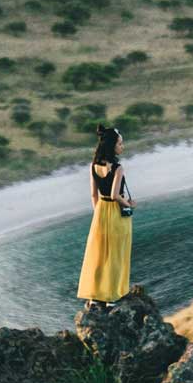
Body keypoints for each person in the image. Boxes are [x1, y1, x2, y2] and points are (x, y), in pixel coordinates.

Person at [76, 124, 134, 305]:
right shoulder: (118, 168)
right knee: (116, 255)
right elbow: (115, 196)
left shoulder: (93, 166)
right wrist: (129, 204)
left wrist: (99, 215)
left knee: (99, 255)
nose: (122, 147)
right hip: (116, 214)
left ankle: (95, 295)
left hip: (100, 211)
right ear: (112, 146)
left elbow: (94, 194)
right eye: (120, 144)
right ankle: (112, 295)